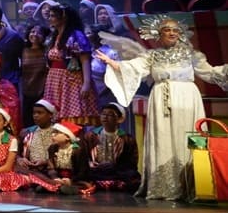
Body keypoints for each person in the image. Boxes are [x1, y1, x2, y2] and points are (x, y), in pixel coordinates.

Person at [96, 15, 228, 200]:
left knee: (190, 136)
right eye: (167, 30)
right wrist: (112, 63)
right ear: (159, 34)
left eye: (175, 30)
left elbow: (210, 72)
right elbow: (133, 68)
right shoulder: (151, 55)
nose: (172, 33)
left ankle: (194, 184)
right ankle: (165, 187)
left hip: (188, 99)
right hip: (161, 100)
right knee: (163, 137)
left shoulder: (191, 55)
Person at [43, 2, 99, 126]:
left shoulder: (76, 35)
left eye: (53, 16)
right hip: (55, 79)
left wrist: (86, 83)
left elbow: (85, 60)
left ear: (63, 17)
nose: (49, 18)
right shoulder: (54, 36)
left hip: (70, 79)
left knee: (71, 115)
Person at [82, 101, 140, 192]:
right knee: (83, 175)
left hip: (117, 172)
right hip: (96, 171)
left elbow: (132, 161)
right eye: (103, 114)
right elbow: (84, 157)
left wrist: (115, 166)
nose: (105, 117)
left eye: (110, 115)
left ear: (119, 119)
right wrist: (93, 165)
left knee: (133, 176)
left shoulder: (127, 139)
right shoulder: (90, 136)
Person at [17, 98, 58, 177]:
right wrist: (20, 159)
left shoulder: (59, 133)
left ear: (50, 115)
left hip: (52, 171)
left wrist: (45, 162)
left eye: (40, 113)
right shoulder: (26, 132)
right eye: (34, 113)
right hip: (30, 170)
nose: (35, 115)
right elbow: (16, 153)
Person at [20, 25, 50, 126]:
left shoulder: (47, 51)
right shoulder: (23, 50)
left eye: (39, 33)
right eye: (32, 32)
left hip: (43, 92)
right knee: (27, 121)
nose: (35, 35)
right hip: (25, 91)